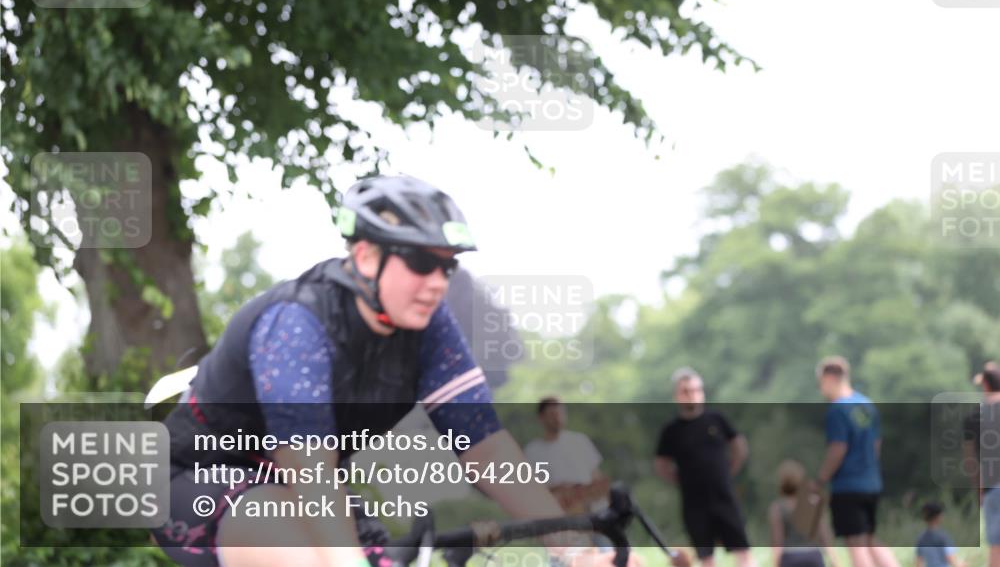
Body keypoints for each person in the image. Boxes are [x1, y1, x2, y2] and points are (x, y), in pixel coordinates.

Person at [151, 175, 649, 567]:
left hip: (293, 490)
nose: (436, 282)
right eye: (418, 262)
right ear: (366, 255)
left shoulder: (429, 326)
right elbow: (310, 471)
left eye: (446, 266)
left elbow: (487, 448)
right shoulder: (297, 324)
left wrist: (570, 547)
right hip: (198, 481)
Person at [653, 367, 754, 567]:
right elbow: (661, 464)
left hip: (724, 496)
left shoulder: (717, 419)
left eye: (696, 390)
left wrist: (728, 472)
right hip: (694, 503)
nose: (692, 395)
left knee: (742, 552)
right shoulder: (671, 430)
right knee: (706, 557)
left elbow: (739, 447)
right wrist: (679, 480)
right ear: (677, 395)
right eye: (686, 391)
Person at [810, 356, 898, 567]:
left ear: (830, 378)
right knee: (869, 539)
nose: (821, 390)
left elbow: (838, 449)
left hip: (848, 486)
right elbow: (876, 445)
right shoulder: (867, 406)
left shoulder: (837, 410)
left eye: (821, 383)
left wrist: (820, 480)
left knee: (855, 544)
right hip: (872, 483)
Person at [523, 397, 613, 554]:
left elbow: (595, 475)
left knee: (607, 555)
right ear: (541, 418)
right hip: (560, 519)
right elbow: (532, 490)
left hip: (591, 515)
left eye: (560, 412)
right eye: (552, 414)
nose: (557, 417)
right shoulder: (533, 451)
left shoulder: (579, 441)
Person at [767, 459, 839, 567]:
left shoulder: (777, 508)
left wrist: (776, 563)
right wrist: (834, 560)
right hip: (813, 557)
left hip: (790, 558)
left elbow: (777, 541)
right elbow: (824, 535)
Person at [963, 361, 1000, 567]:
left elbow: (971, 460)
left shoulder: (973, 417)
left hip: (993, 486)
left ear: (985, 385)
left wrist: (979, 489)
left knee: (996, 545)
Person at [914, 502, 964, 567]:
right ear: (939, 516)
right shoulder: (943, 537)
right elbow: (951, 559)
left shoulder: (921, 538)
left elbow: (919, 563)